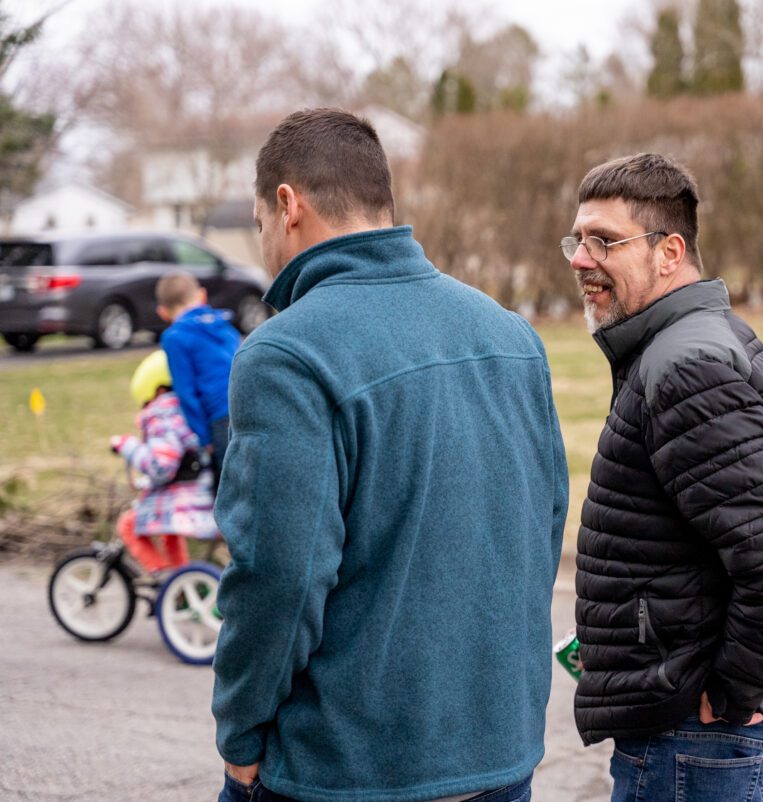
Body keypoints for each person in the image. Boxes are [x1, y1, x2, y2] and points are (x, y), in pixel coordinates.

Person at [212, 108, 567, 802]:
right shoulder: (511, 334)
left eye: (258, 226)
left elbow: (277, 577)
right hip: (500, 754)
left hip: (349, 769)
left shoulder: (286, 354)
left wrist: (241, 732)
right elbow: (541, 529)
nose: (263, 246)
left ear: (288, 206)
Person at [564, 153, 763, 802]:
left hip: (707, 746)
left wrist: (732, 692)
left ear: (669, 252)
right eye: (576, 239)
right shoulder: (678, 348)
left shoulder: (687, 365)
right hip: (703, 743)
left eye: (604, 240)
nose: (579, 259)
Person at [110, 350, 218, 575]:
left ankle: (163, 580)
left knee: (128, 526)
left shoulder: (164, 414)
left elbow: (161, 466)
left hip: (184, 500)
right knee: (170, 535)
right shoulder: (190, 409)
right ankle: (180, 582)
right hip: (199, 493)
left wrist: (127, 447)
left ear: (156, 389)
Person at [156, 271, 241, 489]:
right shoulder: (225, 326)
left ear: (163, 312)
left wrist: (204, 438)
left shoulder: (175, 337)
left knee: (227, 487)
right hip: (247, 405)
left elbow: (186, 392)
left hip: (220, 417)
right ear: (202, 296)